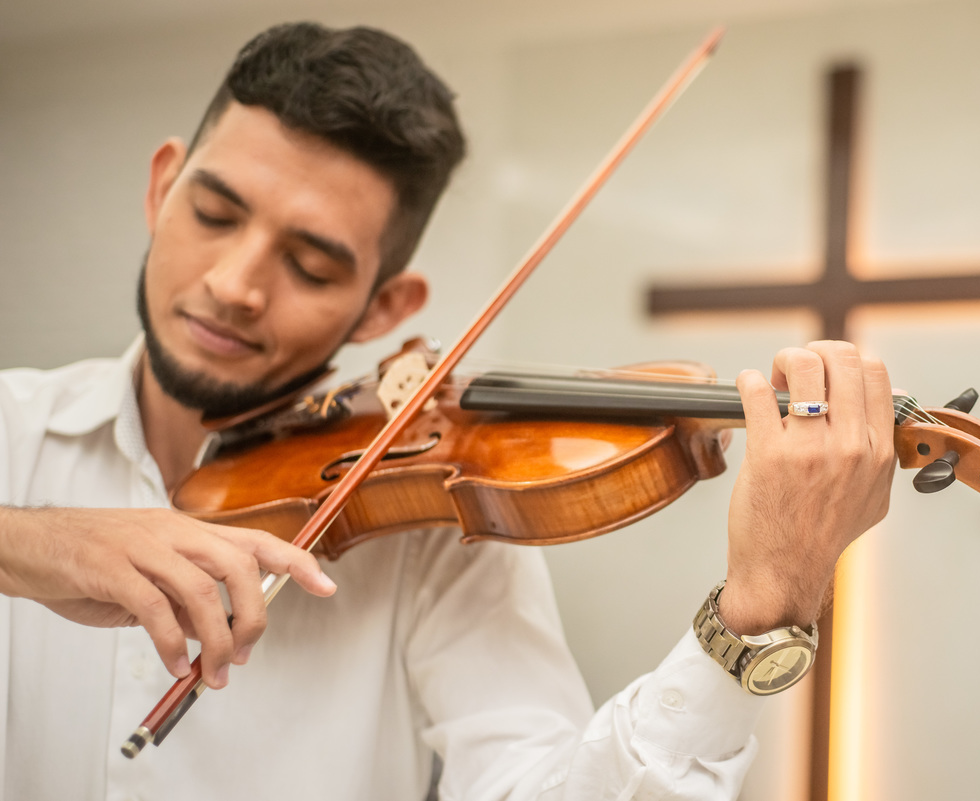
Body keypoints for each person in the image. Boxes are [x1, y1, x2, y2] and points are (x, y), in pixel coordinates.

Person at [0, 21, 895, 800]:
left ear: (387, 308)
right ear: (162, 187)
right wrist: (36, 542)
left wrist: (753, 616)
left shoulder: (432, 528)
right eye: (213, 213)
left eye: (310, 266)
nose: (235, 284)